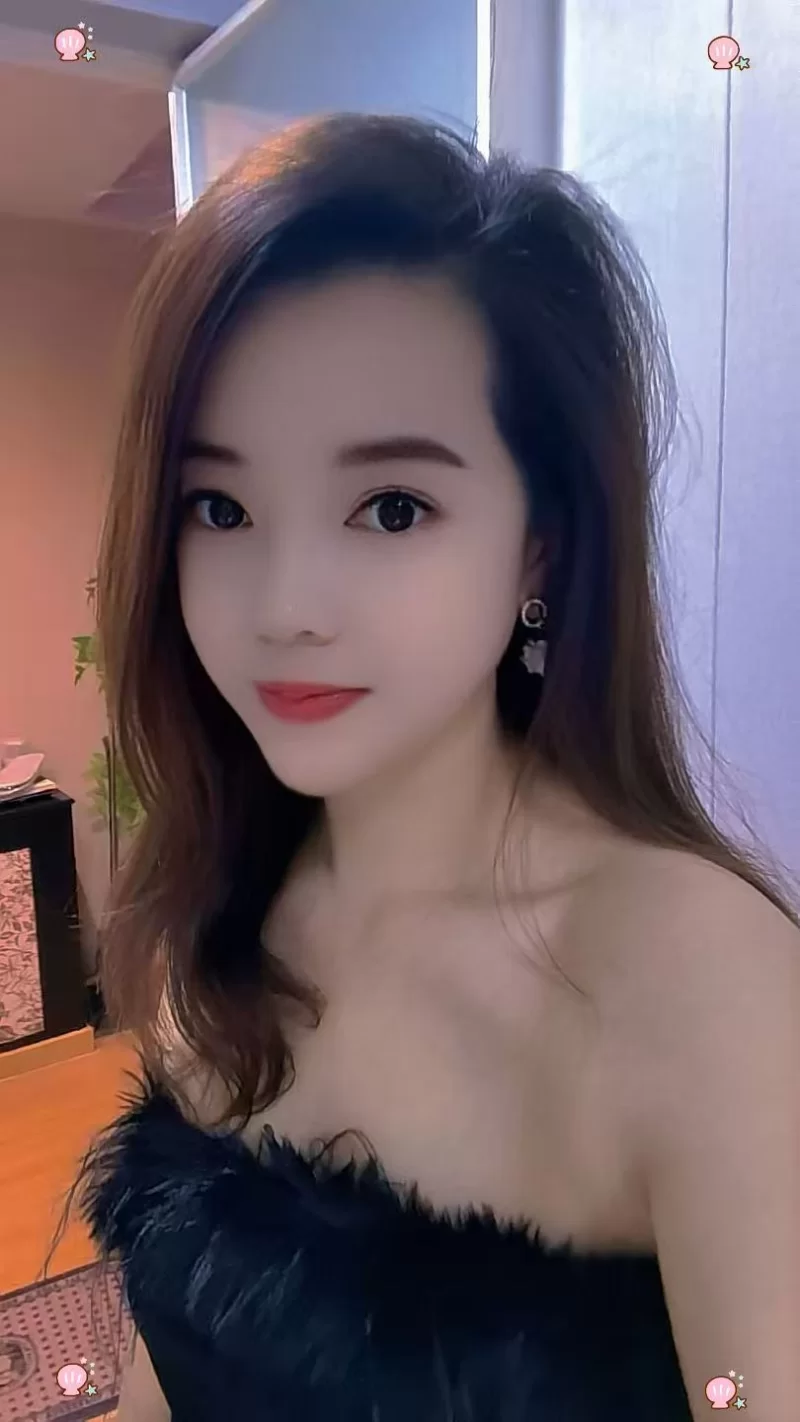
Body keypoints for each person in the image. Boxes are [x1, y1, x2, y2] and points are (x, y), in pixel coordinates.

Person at [69, 114, 799, 1420]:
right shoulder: (215, 896)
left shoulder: (695, 976)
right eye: (220, 508)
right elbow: (161, 1375)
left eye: (391, 508)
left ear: (539, 546)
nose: (286, 605)